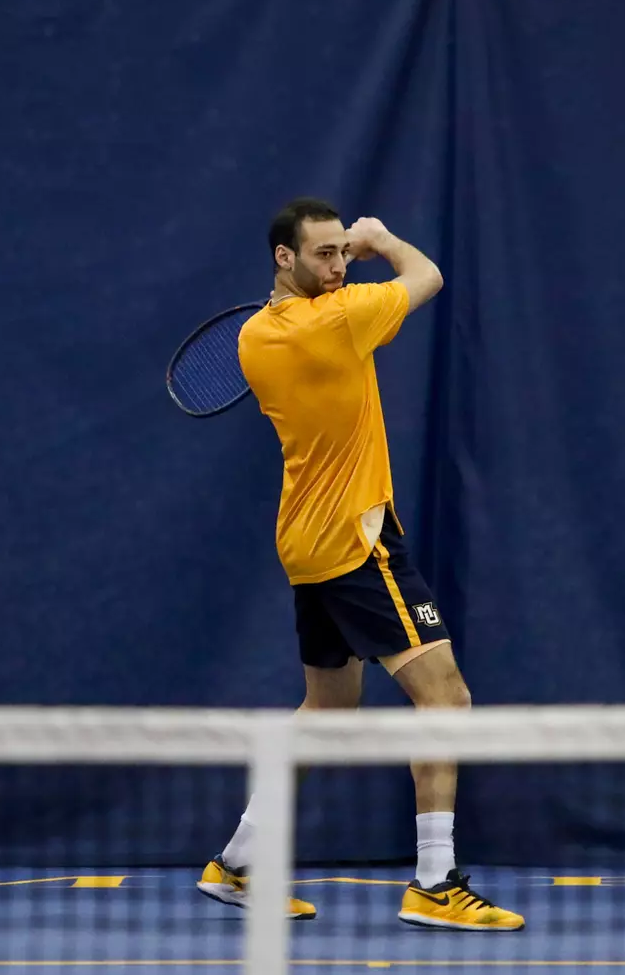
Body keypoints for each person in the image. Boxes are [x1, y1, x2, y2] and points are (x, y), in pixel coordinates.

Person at [194, 197, 524, 932]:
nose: (340, 265)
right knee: (447, 701)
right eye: (325, 254)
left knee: (327, 711)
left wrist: (350, 255)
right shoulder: (336, 321)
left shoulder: (257, 335)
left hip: (306, 547)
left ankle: (237, 862)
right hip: (355, 540)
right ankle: (436, 883)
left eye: (345, 251)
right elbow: (429, 275)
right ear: (284, 258)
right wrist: (384, 239)